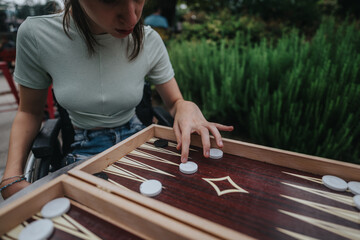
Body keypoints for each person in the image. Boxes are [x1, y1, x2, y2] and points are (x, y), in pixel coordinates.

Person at [0, 0, 233, 199]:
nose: (132, 17)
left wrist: (186, 106)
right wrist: (11, 176)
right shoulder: (36, 35)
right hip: (84, 145)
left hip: (139, 140)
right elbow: (29, 112)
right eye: (111, 0)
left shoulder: (149, 39)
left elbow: (174, 102)